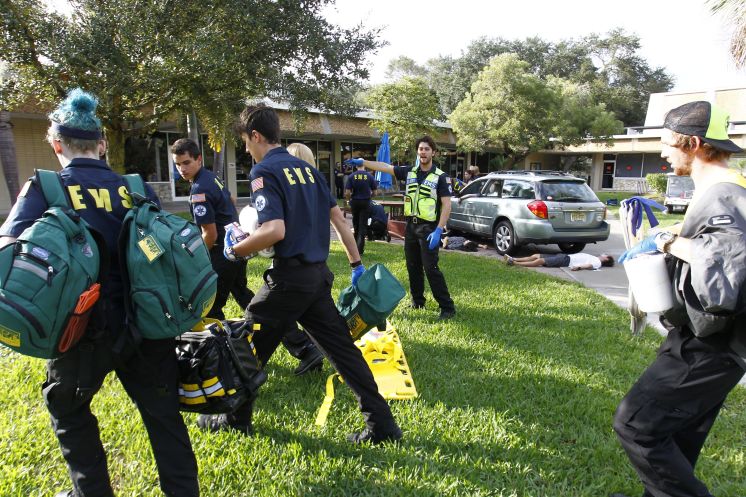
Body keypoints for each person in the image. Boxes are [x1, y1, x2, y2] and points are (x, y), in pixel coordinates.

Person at [0, 89, 200, 497]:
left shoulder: (45, 186)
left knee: (69, 410)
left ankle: (91, 491)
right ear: (103, 144)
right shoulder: (135, 186)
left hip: (79, 330)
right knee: (164, 418)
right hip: (146, 323)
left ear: (57, 144)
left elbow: (8, 244)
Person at [196, 104, 402, 444]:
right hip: (316, 278)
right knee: (343, 354)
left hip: (289, 281)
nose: (246, 149)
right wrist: (355, 264)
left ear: (256, 136)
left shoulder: (264, 171)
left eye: (246, 142)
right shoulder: (310, 172)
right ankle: (382, 425)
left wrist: (236, 250)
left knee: (245, 344)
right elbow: (340, 221)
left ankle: (235, 419)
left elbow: (274, 230)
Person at [611, 101, 746, 497]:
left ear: (693, 142)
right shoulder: (730, 188)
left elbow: (726, 263)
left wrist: (667, 241)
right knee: (678, 441)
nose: (663, 153)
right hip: (719, 346)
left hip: (710, 346)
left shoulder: (724, 194)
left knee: (636, 425)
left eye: (668, 143)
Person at [173, 138, 323, 376]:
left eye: (186, 162)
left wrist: (195, 261)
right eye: (178, 164)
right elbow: (231, 200)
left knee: (210, 308)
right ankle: (303, 347)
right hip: (236, 248)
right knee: (250, 301)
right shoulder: (211, 178)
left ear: (199, 159)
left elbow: (209, 234)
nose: (182, 168)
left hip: (225, 253)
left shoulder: (199, 189)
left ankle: (225, 359)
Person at [346, 136, 456, 320]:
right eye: (420, 149)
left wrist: (439, 229)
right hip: (411, 227)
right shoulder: (409, 171)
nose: (423, 152)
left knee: (431, 268)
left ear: (433, 153)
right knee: (413, 266)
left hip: (429, 229)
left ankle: (447, 307)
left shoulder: (441, 177)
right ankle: (418, 301)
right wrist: (363, 161)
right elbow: (385, 167)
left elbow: (447, 205)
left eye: (427, 149)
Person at [345, 160, 378, 254]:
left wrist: (349, 199)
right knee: (363, 225)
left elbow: (347, 192)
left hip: (355, 202)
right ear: (364, 166)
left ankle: (354, 248)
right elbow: (375, 192)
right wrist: (369, 197)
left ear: (356, 166)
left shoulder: (351, 176)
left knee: (356, 224)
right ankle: (360, 249)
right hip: (366, 202)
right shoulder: (370, 176)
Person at [505, 252, 614, 270]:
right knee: (536, 255)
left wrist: (579, 267)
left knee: (541, 260)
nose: (603, 254)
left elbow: (589, 265)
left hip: (567, 260)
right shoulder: (596, 258)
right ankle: (514, 258)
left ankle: (514, 263)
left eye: (605, 255)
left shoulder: (598, 262)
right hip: (565, 256)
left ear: (606, 259)